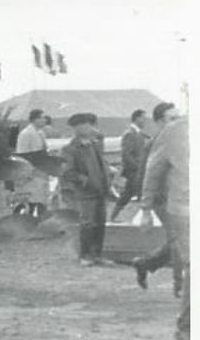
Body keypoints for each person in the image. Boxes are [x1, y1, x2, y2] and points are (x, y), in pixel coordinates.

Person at [141, 110, 190, 340]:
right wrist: (146, 209)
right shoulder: (175, 131)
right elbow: (153, 171)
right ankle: (187, 327)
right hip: (184, 208)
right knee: (196, 264)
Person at [59, 111, 112, 266]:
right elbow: (68, 172)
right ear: (77, 128)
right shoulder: (70, 149)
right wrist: (86, 181)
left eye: (91, 125)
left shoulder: (94, 144)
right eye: (86, 125)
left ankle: (97, 254)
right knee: (87, 223)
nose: (90, 128)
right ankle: (85, 255)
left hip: (101, 190)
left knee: (100, 223)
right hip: (86, 192)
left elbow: (101, 138)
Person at [110, 109, 151, 222]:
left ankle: (115, 216)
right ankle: (113, 217)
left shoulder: (139, 134)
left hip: (139, 170)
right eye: (143, 118)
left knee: (138, 194)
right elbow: (126, 154)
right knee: (128, 194)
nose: (145, 121)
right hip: (134, 171)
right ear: (137, 118)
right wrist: (137, 167)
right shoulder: (130, 134)